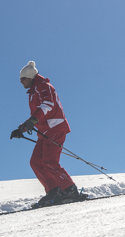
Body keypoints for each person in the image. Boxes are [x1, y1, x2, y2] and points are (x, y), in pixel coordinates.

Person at [11, 61, 83, 207]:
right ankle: (53, 191)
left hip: (55, 128)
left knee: (49, 161)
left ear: (30, 77)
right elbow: (38, 115)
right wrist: (22, 129)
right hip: (45, 131)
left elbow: (47, 104)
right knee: (36, 162)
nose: (21, 82)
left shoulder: (43, 86)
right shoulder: (33, 91)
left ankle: (70, 189)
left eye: (23, 79)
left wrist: (33, 120)